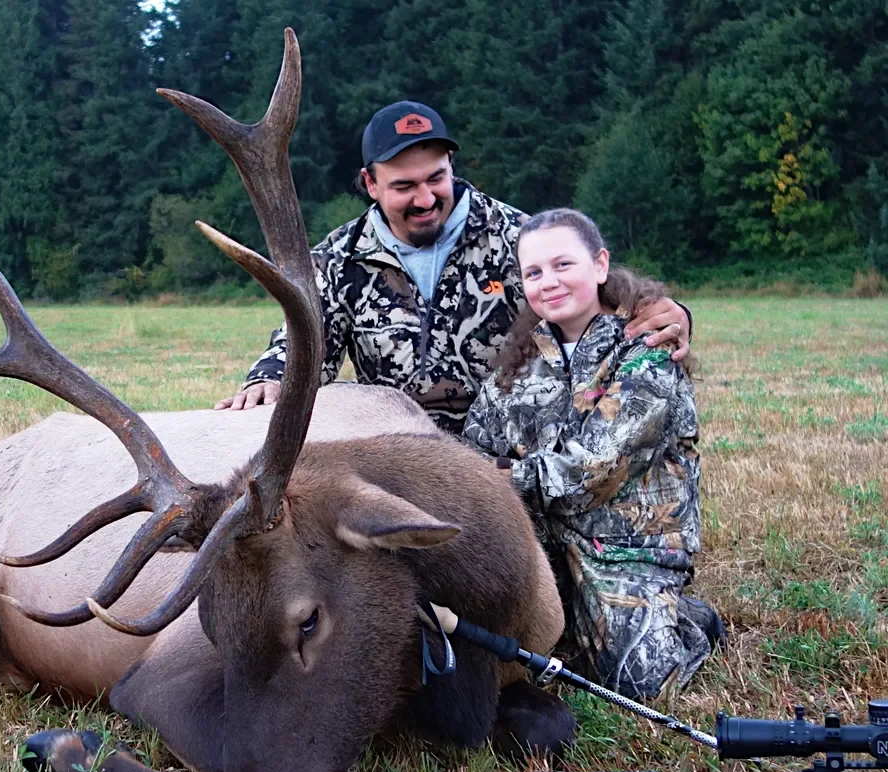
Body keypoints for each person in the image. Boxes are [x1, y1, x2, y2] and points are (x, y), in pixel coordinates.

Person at [214, 100, 692, 436]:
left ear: (451, 165)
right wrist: (268, 380)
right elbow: (303, 340)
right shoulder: (339, 258)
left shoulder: (516, 236)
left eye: (436, 178)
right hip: (394, 452)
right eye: (404, 186)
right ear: (370, 184)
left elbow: (593, 289)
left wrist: (672, 314)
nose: (425, 200)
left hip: (508, 446)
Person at [462, 207, 722, 700]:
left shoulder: (646, 350)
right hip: (541, 539)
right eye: (534, 273)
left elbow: (594, 469)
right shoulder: (517, 361)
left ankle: (691, 621)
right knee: (503, 649)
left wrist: (493, 480)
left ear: (599, 265)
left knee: (638, 681)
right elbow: (474, 447)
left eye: (564, 265)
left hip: (626, 547)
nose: (549, 283)